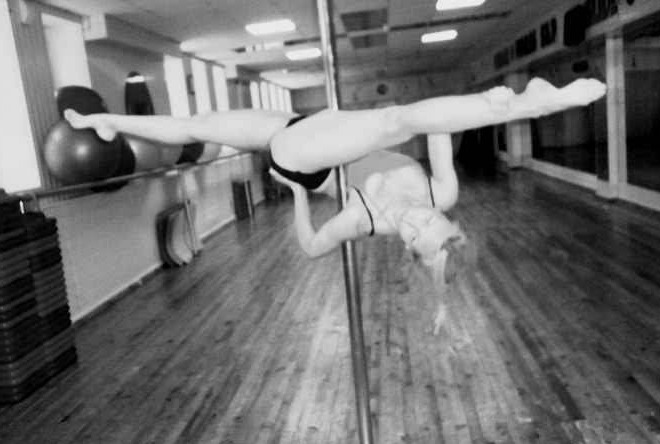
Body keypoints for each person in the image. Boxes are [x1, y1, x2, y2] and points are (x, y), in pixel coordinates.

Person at [64, 77, 606, 332]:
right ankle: (109, 122)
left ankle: (530, 104)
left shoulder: (363, 221)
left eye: (415, 236)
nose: (416, 220)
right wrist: (457, 108)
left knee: (395, 121)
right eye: (431, 222)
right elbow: (439, 128)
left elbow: (311, 246)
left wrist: (299, 194)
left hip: (308, 158)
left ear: (410, 248)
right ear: (446, 217)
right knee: (199, 125)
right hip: (307, 127)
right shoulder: (443, 192)